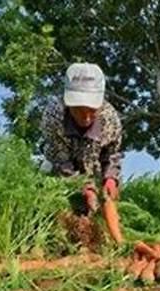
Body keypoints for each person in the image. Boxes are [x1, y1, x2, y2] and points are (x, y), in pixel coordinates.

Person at [40, 62, 123, 214]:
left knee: (98, 208)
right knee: (55, 202)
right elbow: (61, 161)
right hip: (59, 169)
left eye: (92, 110)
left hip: (93, 167)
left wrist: (111, 178)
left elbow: (112, 155)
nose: (86, 117)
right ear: (68, 102)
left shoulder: (110, 119)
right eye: (78, 110)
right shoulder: (53, 116)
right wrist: (81, 185)